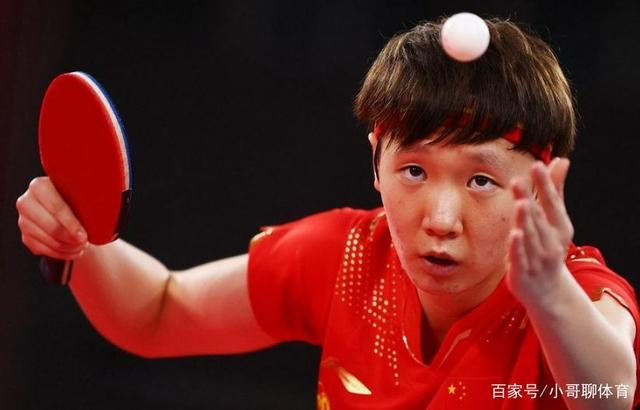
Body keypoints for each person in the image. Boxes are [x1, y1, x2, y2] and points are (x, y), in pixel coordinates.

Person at [16, 16, 639, 409]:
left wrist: (549, 295)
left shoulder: (578, 291)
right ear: (376, 162)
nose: (442, 218)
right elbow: (158, 312)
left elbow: (609, 395)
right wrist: (78, 238)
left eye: (481, 180)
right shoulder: (347, 258)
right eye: (414, 171)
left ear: (541, 185)